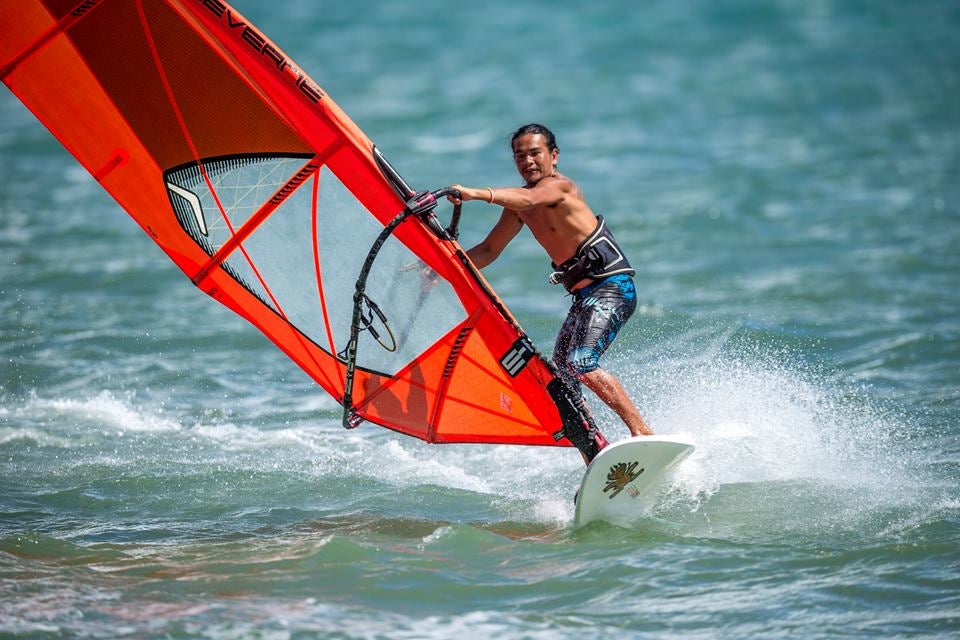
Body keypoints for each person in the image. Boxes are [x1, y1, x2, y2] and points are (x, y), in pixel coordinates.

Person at [447, 123, 653, 460]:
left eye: (534, 153)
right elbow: (488, 250)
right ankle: (595, 452)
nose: (527, 161)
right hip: (586, 298)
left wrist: (476, 193)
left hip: (613, 288)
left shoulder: (561, 187)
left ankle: (641, 431)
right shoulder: (518, 206)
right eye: (519, 155)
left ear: (553, 156)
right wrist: (439, 269)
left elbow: (530, 197)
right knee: (559, 377)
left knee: (582, 362)